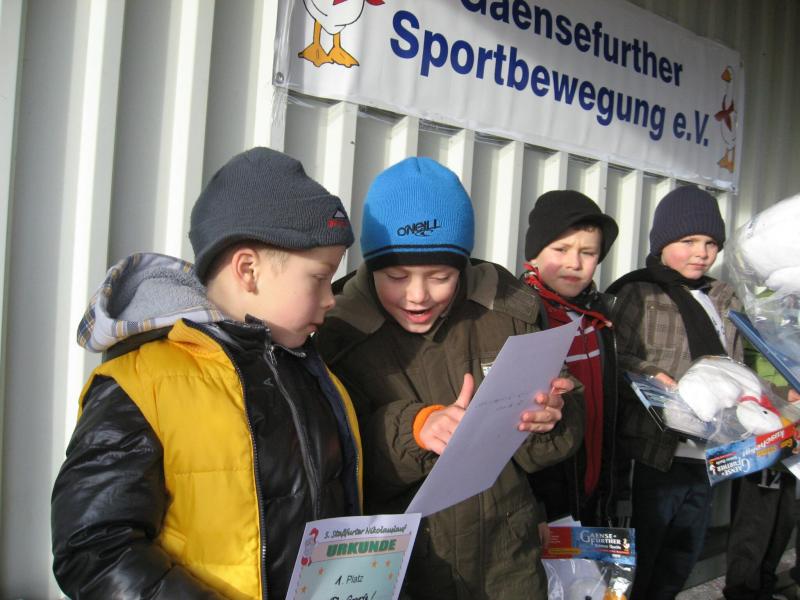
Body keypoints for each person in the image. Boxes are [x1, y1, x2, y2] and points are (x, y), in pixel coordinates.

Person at [51, 147, 363, 600]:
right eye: (319, 277)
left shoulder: (318, 379)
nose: (332, 298)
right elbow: (94, 549)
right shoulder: (142, 384)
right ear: (248, 270)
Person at [316, 156, 584, 599]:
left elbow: (556, 434)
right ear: (370, 266)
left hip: (508, 559)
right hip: (403, 569)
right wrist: (415, 429)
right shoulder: (338, 331)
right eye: (395, 276)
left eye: (440, 276)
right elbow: (332, 459)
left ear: (463, 266)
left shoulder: (507, 310)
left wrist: (553, 415)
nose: (417, 296)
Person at [606, 185, 743, 600]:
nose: (701, 252)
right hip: (654, 455)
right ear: (661, 244)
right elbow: (614, 356)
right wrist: (654, 375)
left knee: (682, 555)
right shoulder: (638, 292)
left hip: (706, 456)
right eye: (688, 241)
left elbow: (737, 368)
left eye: (711, 243)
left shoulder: (722, 298)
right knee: (640, 558)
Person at [521, 190, 624, 527]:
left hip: (594, 486)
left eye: (588, 252)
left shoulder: (599, 319)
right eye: (560, 249)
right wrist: (534, 507)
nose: (574, 263)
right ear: (534, 254)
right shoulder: (520, 318)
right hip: (546, 497)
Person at [723, 344, 800, 600]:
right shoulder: (762, 328)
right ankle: (743, 591)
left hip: (791, 442)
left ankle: (765, 588)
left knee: (782, 521)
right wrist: (781, 392)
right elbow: (745, 368)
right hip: (766, 434)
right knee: (755, 525)